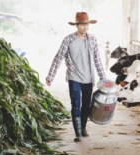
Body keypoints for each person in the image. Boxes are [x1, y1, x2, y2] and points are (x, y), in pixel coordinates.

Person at [46, 12, 106, 142]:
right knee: (75, 104)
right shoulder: (68, 39)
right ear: (77, 25)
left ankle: (83, 128)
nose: (85, 27)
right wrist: (51, 76)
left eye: (87, 24)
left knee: (86, 105)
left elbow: (97, 60)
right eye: (82, 25)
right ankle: (77, 133)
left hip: (89, 78)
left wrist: (103, 78)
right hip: (74, 76)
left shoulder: (93, 39)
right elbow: (58, 58)